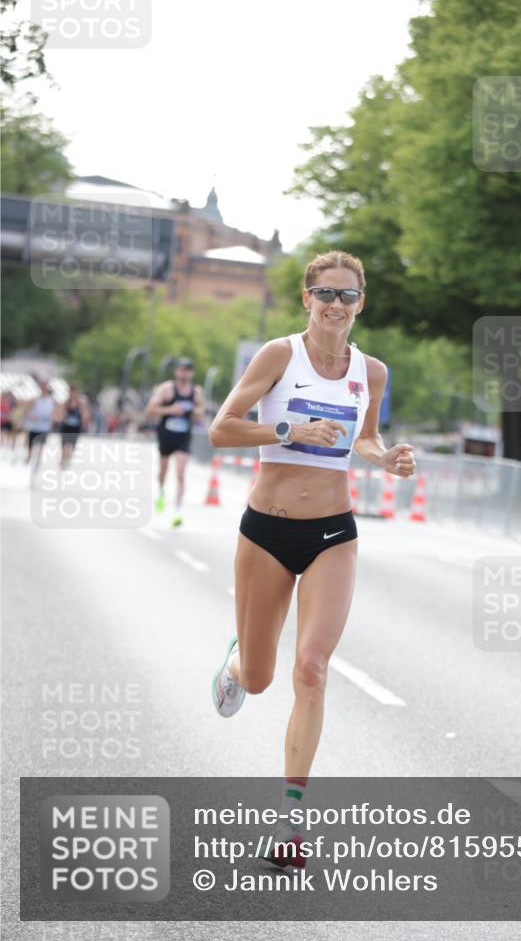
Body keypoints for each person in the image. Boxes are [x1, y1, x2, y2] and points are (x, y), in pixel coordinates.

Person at [208, 250, 416, 867]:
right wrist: (286, 432)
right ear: (307, 299)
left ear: (361, 304)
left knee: (312, 670)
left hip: (333, 533)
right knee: (264, 677)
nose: (335, 305)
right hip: (266, 532)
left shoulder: (371, 372)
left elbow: (367, 437)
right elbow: (222, 427)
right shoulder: (279, 356)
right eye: (324, 294)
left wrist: (387, 459)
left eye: (347, 296)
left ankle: (292, 827)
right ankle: (240, 659)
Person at [145, 358, 204, 528]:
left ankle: (178, 511)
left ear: (192, 373)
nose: (185, 373)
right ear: (176, 372)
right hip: (166, 434)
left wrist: (196, 412)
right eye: (182, 369)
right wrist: (171, 410)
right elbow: (150, 410)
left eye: (188, 370)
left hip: (183, 436)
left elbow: (200, 411)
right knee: (163, 469)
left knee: (180, 473)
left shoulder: (196, 392)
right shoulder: (166, 389)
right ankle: (161, 492)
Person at [23, 379, 56, 475]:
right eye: (43, 388)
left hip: (44, 428)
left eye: (45, 388)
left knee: (41, 448)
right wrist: (31, 416)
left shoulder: (52, 401)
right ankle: (28, 462)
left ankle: (37, 464)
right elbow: (26, 411)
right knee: (30, 448)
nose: (44, 389)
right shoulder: (35, 400)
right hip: (34, 427)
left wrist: (52, 420)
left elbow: (55, 414)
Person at [55, 384, 91, 469]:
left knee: (71, 446)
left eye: (73, 392)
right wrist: (59, 418)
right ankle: (62, 460)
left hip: (75, 427)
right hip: (66, 426)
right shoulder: (66, 402)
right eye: (70, 392)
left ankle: (67, 458)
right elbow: (59, 413)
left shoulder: (80, 403)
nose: (71, 393)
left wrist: (85, 424)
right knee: (64, 445)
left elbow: (85, 414)